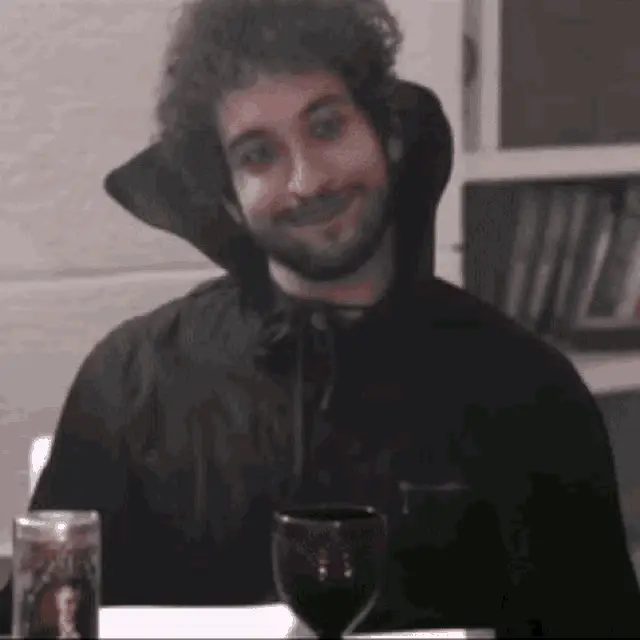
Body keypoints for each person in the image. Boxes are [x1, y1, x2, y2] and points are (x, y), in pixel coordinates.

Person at [1, 0, 639, 636]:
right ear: (228, 196)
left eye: (328, 127)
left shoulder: (530, 392)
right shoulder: (129, 384)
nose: (306, 181)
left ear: (387, 135)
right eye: (259, 155)